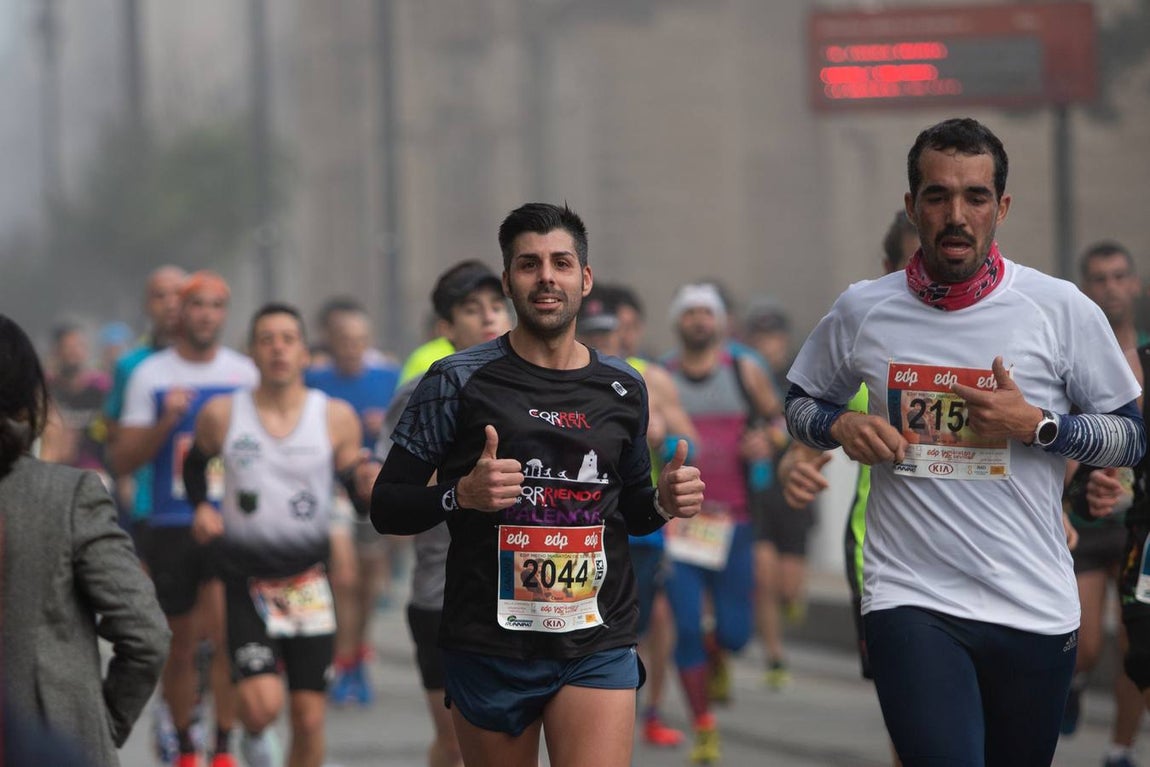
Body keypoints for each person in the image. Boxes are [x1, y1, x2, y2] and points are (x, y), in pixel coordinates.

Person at [784, 116, 1145, 766]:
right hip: (910, 594)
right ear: (911, 204)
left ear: (1001, 207)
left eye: (975, 196)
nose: (956, 214)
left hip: (1031, 599)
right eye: (938, 195)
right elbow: (800, 402)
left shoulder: (1058, 310)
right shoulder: (863, 309)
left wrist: (1039, 425)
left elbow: (1131, 437)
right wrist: (838, 424)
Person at [371, 202, 705, 767]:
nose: (546, 276)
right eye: (528, 264)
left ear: (584, 279)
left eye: (561, 263)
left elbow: (632, 511)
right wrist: (461, 494)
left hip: (595, 636)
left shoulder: (623, 387)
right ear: (507, 281)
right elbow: (386, 506)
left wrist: (665, 503)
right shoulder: (456, 379)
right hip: (490, 642)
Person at [184, 303, 378, 767]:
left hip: (309, 582)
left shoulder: (333, 416)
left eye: (288, 339)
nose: (278, 349)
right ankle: (252, 735)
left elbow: (353, 485)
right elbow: (194, 463)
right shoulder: (222, 414)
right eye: (267, 339)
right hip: (245, 579)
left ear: (304, 353)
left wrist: (368, 486)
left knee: (309, 719)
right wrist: (201, 508)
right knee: (260, 705)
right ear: (251, 351)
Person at [0, 313, 170, 767]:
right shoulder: (66, 497)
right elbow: (146, 633)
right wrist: (100, 723)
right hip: (52, 741)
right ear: (27, 401)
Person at [110, 271, 259, 767]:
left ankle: (221, 743)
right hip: (170, 523)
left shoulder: (244, 373)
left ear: (224, 313)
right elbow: (123, 459)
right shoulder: (151, 374)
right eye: (197, 305)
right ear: (181, 312)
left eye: (217, 306)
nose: (206, 315)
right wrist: (167, 420)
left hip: (229, 521)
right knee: (177, 645)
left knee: (224, 637)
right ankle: (184, 741)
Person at [382, 260, 513, 767]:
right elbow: (388, 493)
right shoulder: (420, 393)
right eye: (471, 308)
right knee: (459, 743)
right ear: (445, 327)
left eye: (496, 305)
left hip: (523, 593)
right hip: (443, 589)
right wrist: (460, 491)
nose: (488, 317)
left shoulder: (535, 388)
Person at [658, 281, 782, 764]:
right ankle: (703, 725)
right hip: (681, 524)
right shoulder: (661, 375)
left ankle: (718, 652)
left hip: (737, 521)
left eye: (705, 313)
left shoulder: (742, 368)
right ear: (678, 322)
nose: (698, 321)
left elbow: (782, 420)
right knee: (684, 626)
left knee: (734, 633)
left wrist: (768, 443)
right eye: (689, 313)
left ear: (719, 321)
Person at [576, 284, 699, 749]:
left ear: (625, 333)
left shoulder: (647, 378)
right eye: (591, 333)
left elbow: (691, 442)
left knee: (645, 623)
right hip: (578, 530)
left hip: (639, 528)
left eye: (607, 333)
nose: (600, 342)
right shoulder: (561, 376)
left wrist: (664, 441)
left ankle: (644, 711)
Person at [1060, 241, 1146, 758]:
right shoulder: (1075, 356)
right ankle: (1071, 682)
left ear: (1135, 284)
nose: (1110, 287)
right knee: (1086, 644)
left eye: (1119, 276)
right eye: (1099, 279)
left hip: (1140, 528)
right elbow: (1060, 442)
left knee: (1140, 651)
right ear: (1084, 290)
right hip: (1087, 523)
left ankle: (1119, 751)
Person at [305, 301, 401, 707]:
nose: (352, 347)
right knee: (342, 579)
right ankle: (342, 661)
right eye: (344, 340)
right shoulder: (313, 379)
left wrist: (388, 427)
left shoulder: (389, 378)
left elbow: (410, 427)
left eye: (360, 340)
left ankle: (358, 653)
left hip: (374, 492)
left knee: (369, 582)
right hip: (328, 489)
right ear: (330, 341)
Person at [741, 300, 814, 691]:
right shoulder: (742, 379)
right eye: (760, 338)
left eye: (774, 338)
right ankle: (774, 657)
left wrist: (776, 436)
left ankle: (792, 600)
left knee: (788, 587)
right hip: (756, 494)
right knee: (763, 578)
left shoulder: (801, 379)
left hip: (794, 490)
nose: (767, 346)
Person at [40, 320, 113, 483]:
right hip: (55, 471)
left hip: (95, 472)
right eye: (68, 347)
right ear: (56, 351)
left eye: (78, 346)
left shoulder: (103, 387)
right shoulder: (46, 388)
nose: (74, 353)